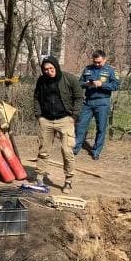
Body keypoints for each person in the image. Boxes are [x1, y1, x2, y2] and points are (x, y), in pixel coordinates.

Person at [33, 57, 83, 194]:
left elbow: (79, 97)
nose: (49, 72)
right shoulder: (41, 81)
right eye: (46, 69)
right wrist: (39, 116)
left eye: (51, 69)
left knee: (67, 151)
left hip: (65, 120)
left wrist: (74, 116)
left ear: (56, 67)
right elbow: (36, 98)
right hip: (46, 120)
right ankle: (39, 178)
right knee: (43, 150)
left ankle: (68, 180)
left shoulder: (69, 79)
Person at [73, 50, 120, 161]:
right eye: (95, 62)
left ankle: (96, 151)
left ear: (104, 59)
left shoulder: (110, 71)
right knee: (80, 125)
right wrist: (86, 84)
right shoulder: (88, 69)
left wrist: (102, 84)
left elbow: (116, 85)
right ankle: (75, 148)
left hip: (102, 102)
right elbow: (79, 83)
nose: (97, 64)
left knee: (101, 128)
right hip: (88, 102)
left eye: (99, 62)